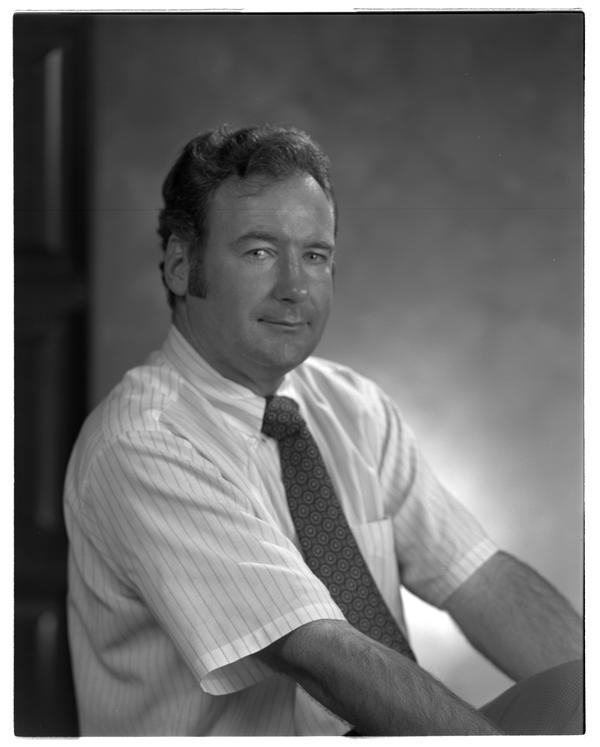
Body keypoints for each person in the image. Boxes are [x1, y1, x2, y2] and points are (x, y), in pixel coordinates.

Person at [64, 124, 583, 736]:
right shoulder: (142, 444)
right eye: (259, 252)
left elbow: (482, 580)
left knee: (578, 691)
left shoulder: (352, 406)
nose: (295, 288)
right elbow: (321, 654)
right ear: (181, 265)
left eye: (315, 255)